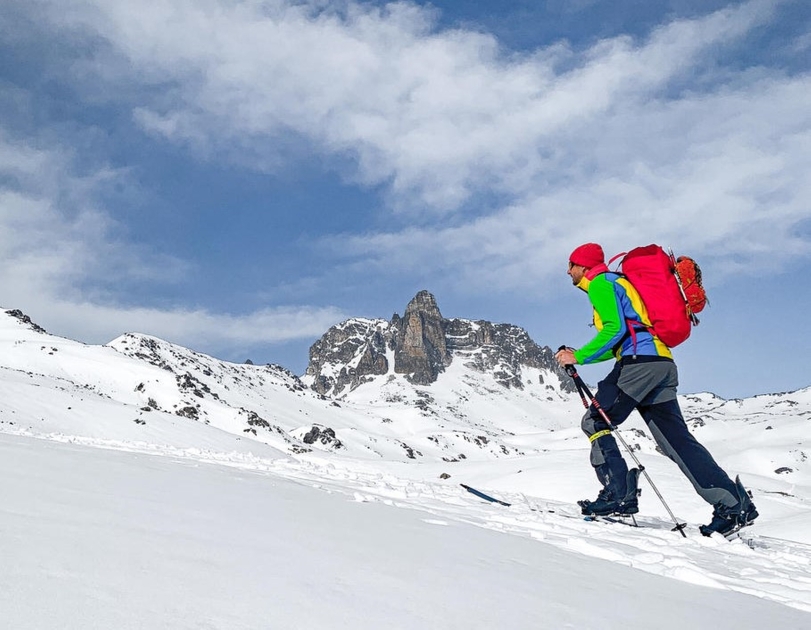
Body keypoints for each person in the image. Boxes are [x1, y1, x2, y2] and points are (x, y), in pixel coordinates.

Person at [554, 243, 758, 536]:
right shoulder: (618, 282)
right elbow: (622, 338)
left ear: (584, 266)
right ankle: (733, 505)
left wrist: (579, 357)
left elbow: (615, 330)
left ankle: (617, 496)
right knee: (676, 441)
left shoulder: (600, 283)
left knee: (595, 421)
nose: (568, 271)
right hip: (660, 363)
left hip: (639, 364)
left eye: (571, 265)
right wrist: (582, 355)